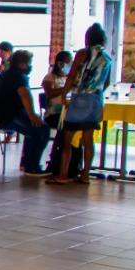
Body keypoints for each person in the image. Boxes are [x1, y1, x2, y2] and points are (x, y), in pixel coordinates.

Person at [49, 23, 114, 185]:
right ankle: (85, 174)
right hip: (96, 99)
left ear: (88, 38)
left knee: (68, 138)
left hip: (80, 98)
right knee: (88, 138)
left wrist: (65, 93)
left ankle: (63, 174)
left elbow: (71, 76)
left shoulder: (83, 54)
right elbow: (107, 82)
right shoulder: (107, 57)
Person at [0, 51, 50, 177]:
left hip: (0, 114)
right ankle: (32, 166)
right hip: (11, 116)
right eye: (29, 63)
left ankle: (26, 163)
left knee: (32, 131)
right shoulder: (20, 77)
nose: (30, 66)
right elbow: (25, 95)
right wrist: (32, 114)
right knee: (41, 130)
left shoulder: (4, 75)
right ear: (23, 65)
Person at [41, 51, 74, 176]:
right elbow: (49, 93)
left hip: (67, 112)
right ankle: (55, 159)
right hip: (54, 114)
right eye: (68, 62)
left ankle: (69, 163)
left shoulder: (68, 79)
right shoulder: (50, 77)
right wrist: (66, 89)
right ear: (60, 63)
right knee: (64, 128)